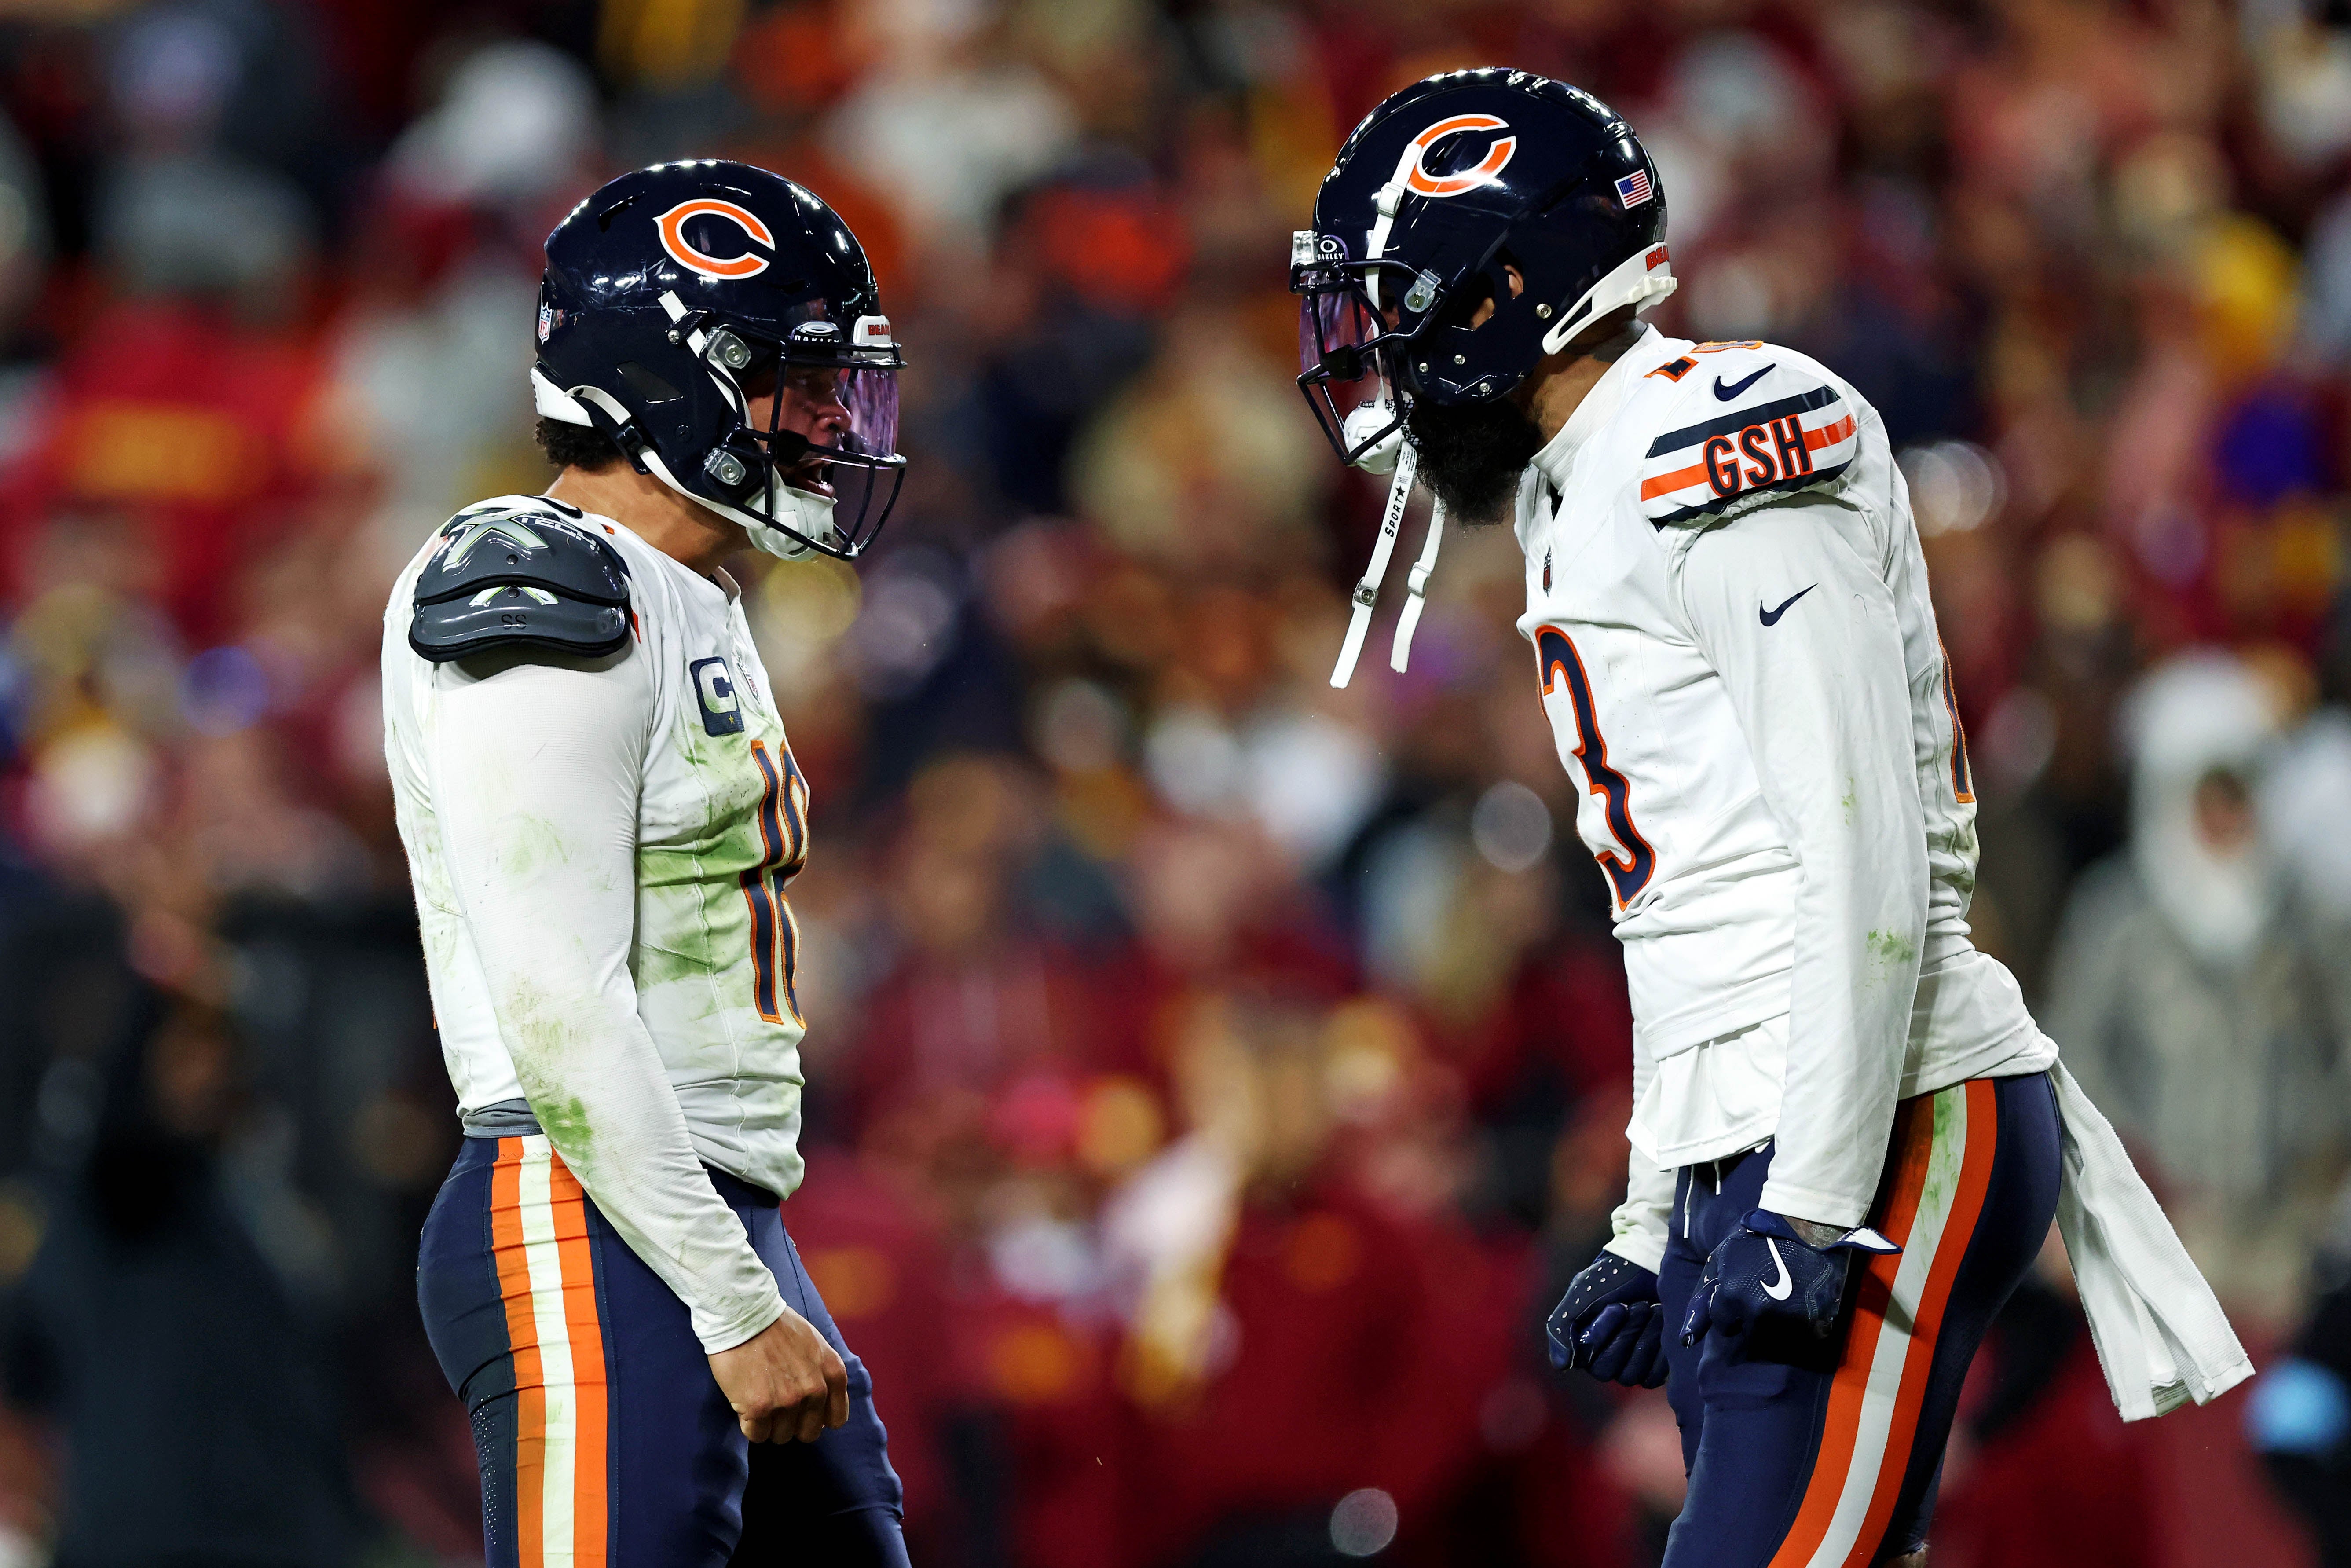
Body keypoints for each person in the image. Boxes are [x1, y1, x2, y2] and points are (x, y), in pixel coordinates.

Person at [1291, 70, 2249, 1567]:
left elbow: (1855, 835)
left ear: (1503, 297)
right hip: (1774, 1119)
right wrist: (1649, 1204)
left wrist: (1808, 1200)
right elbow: (1691, 913)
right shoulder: (1585, 482)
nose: (1376, 354)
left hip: (1887, 1112)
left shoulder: (1713, 440)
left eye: (1402, 302)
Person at [381, 159, 912, 1565]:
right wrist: (732, 1304)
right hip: (584, 1204)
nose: (825, 417)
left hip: (700, 1208)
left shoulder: (694, 595)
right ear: (668, 376)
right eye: (793, 378)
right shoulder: (543, 573)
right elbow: (555, 993)